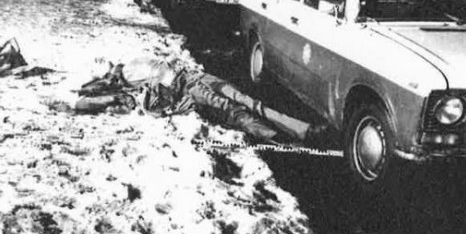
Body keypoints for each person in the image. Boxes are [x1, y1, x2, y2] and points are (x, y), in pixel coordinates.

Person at [76, 57, 331, 146]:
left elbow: (164, 75)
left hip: (193, 83)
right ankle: (296, 132)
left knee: (237, 109)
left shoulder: (131, 72)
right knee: (244, 105)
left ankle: (285, 136)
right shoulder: (130, 78)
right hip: (196, 82)